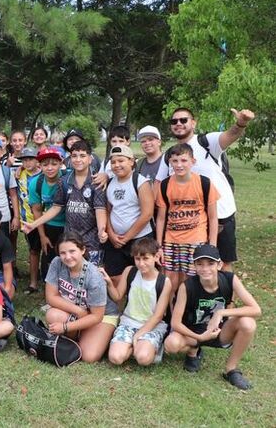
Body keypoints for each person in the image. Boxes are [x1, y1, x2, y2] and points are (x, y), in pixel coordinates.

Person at [157, 107, 255, 272]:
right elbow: (159, 184)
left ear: (193, 123)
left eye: (183, 120)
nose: (178, 124)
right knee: (194, 266)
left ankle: (225, 296)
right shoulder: (170, 155)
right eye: (174, 121)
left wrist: (241, 123)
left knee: (223, 262)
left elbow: (230, 135)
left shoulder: (207, 142)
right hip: (191, 221)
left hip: (221, 213)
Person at [164, 244, 260, 390]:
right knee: (171, 344)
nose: (205, 268)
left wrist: (221, 313)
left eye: (210, 263)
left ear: (219, 264)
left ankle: (231, 370)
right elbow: (176, 323)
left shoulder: (229, 279)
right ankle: (193, 351)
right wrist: (200, 338)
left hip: (219, 331)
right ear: (194, 266)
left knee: (248, 323)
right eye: (200, 264)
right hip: (194, 332)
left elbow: (256, 309)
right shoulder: (187, 286)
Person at [25, 140, 108, 266]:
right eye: (74, 156)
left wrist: (102, 230)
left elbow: (100, 208)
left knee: (90, 273)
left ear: (90, 159)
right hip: (70, 237)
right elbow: (56, 207)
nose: (78, 159)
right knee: (70, 273)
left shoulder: (97, 182)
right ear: (70, 159)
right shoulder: (63, 181)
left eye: (82, 156)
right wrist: (34, 224)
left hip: (92, 239)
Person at [45, 233, 118, 363]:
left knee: (89, 356)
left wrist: (66, 327)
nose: (67, 257)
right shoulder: (57, 263)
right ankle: (80, 334)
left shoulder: (94, 277)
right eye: (63, 253)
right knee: (53, 315)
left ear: (83, 250)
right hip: (78, 310)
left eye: (72, 251)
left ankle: (102, 335)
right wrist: (78, 311)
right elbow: (51, 297)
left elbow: (96, 316)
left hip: (102, 315)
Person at [155, 143, 219, 292]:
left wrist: (212, 245)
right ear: (170, 162)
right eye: (175, 161)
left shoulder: (204, 183)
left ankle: (188, 312)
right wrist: (159, 245)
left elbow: (213, 217)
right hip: (171, 240)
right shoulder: (165, 185)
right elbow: (161, 218)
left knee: (191, 280)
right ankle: (170, 313)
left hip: (196, 239)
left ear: (193, 161)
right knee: (170, 280)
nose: (179, 165)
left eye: (184, 160)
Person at [102, 237, 172, 366]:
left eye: (145, 258)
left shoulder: (164, 282)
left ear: (156, 257)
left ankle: (146, 347)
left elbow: (158, 316)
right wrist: (109, 283)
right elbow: (117, 296)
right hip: (128, 322)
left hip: (151, 326)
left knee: (143, 359)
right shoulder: (130, 271)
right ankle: (135, 347)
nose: (141, 263)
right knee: (115, 358)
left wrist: (139, 334)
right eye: (137, 259)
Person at [102, 145, 154, 285]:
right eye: (113, 162)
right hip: (115, 239)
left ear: (131, 161)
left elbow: (147, 214)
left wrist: (127, 237)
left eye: (121, 161)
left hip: (139, 238)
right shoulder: (110, 183)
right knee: (115, 277)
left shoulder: (140, 182)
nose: (117, 165)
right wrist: (111, 234)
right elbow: (108, 210)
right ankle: (119, 305)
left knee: (142, 276)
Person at [26, 148, 65, 280]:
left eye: (54, 164)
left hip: (68, 224)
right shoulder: (36, 183)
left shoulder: (69, 177)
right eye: (45, 164)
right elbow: (36, 210)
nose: (50, 168)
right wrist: (42, 236)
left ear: (61, 163)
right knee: (49, 260)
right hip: (49, 223)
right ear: (39, 165)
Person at [16, 147, 42, 293]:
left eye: (30, 159)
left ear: (37, 160)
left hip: (45, 219)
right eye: (24, 160)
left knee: (48, 250)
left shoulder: (44, 174)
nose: (27, 162)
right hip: (28, 220)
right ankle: (33, 283)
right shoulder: (20, 174)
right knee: (33, 250)